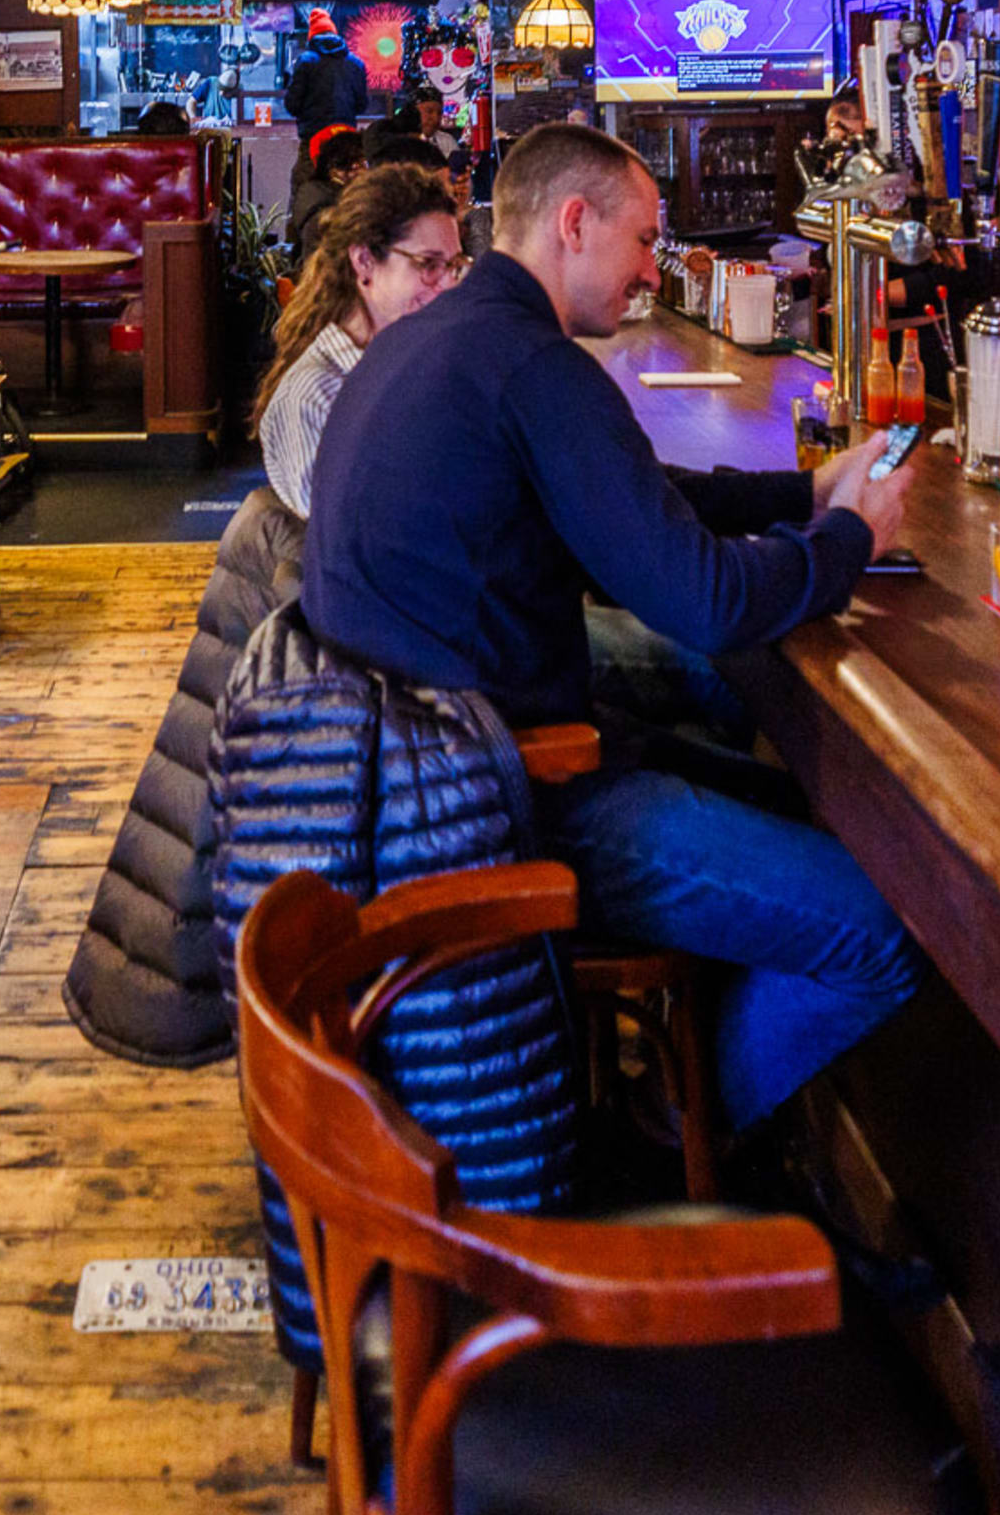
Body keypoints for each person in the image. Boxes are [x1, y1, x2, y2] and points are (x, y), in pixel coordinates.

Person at [302, 120, 928, 1141]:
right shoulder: (532, 368)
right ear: (575, 222)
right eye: (642, 241)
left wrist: (806, 488)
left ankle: (724, 1118)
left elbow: (633, 494)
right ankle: (667, 1130)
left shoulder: (441, 339)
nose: (652, 270)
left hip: (420, 780)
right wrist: (849, 541)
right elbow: (707, 604)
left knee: (784, 799)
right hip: (500, 806)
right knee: (879, 928)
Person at [252, 164, 467, 517]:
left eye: (454, 265)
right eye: (428, 264)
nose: (447, 284)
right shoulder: (315, 394)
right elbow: (349, 537)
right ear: (364, 260)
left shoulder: (414, 362)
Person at [282, 8, 369, 153]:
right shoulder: (356, 63)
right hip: (345, 136)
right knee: (346, 173)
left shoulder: (305, 62)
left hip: (313, 138)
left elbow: (292, 104)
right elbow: (362, 105)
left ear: (312, 37)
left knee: (308, 174)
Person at [282, 124, 365, 259]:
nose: (366, 171)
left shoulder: (314, 196)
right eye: (362, 163)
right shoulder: (328, 213)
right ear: (335, 171)